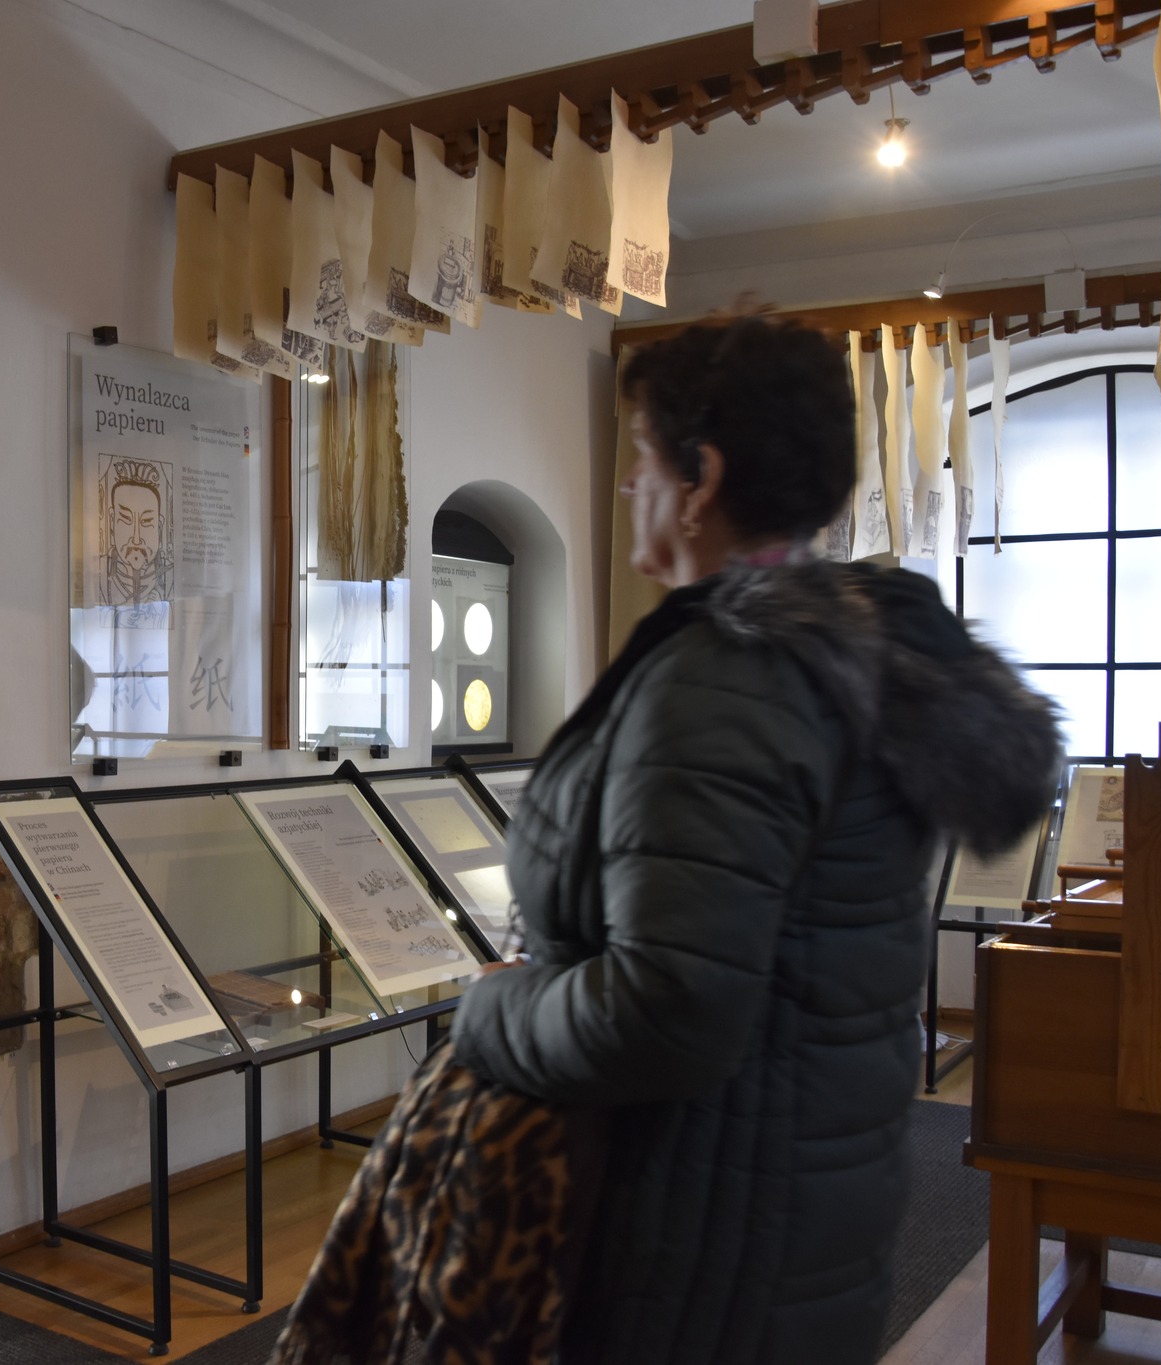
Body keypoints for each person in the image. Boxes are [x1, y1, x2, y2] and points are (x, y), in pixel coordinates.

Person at [276, 316, 1062, 1365]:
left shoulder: (728, 678)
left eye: (642, 455)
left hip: (690, 1243)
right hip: (787, 1211)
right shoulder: (848, 651)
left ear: (701, 478)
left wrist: (490, 1010)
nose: (625, 484)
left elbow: (666, 1009)